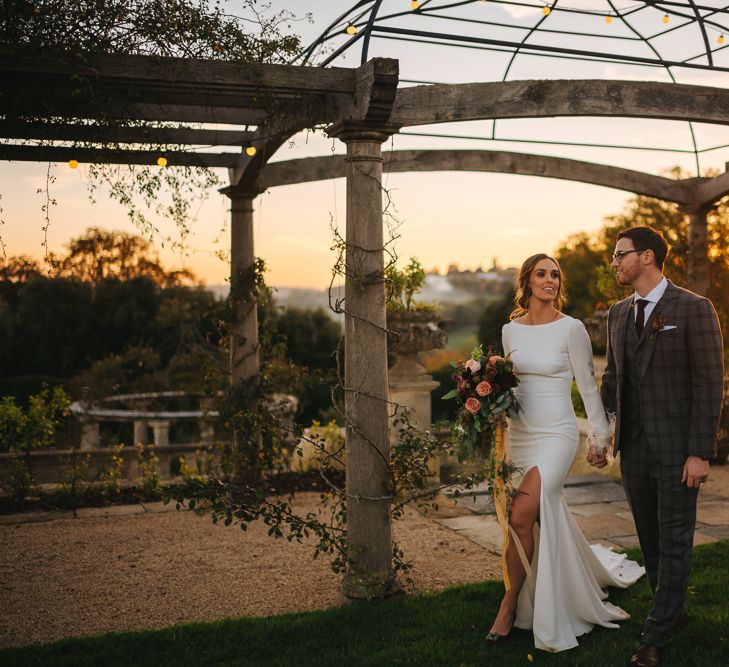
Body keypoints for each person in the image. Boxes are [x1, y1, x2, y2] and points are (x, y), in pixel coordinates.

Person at [488, 253, 644, 652]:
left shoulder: (571, 328)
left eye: (555, 275)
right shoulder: (510, 331)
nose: (550, 280)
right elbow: (510, 385)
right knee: (522, 522)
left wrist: (599, 438)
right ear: (526, 282)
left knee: (523, 513)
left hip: (556, 434)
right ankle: (531, 590)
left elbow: (588, 387)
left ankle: (508, 605)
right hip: (519, 433)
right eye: (541, 274)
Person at [591, 226, 723, 667]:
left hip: (678, 450)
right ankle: (673, 610)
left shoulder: (694, 308)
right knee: (650, 540)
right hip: (636, 449)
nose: (614, 262)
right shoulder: (616, 314)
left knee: (676, 537)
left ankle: (655, 636)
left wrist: (699, 451)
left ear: (646, 257)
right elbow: (613, 381)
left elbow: (709, 384)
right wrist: (602, 434)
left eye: (620, 254)